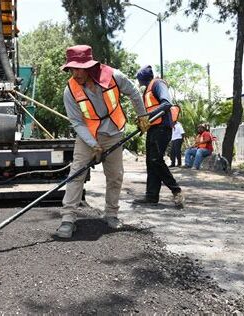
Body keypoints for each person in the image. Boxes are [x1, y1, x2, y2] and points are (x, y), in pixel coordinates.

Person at [56, 45, 150, 239]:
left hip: (114, 131)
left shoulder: (114, 76)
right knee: (76, 173)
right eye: (72, 69)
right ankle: (68, 219)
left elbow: (133, 92)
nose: (76, 73)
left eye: (79, 68)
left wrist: (142, 116)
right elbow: (76, 121)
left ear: (90, 66)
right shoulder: (70, 90)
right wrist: (93, 144)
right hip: (87, 136)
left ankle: (111, 214)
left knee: (115, 175)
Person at [132, 65, 185, 208]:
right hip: (153, 128)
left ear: (143, 78)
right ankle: (151, 196)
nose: (139, 83)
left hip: (162, 128)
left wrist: (148, 116)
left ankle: (176, 190)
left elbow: (166, 103)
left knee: (156, 160)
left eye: (139, 80)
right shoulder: (148, 89)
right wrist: (143, 122)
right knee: (151, 161)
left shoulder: (158, 84)